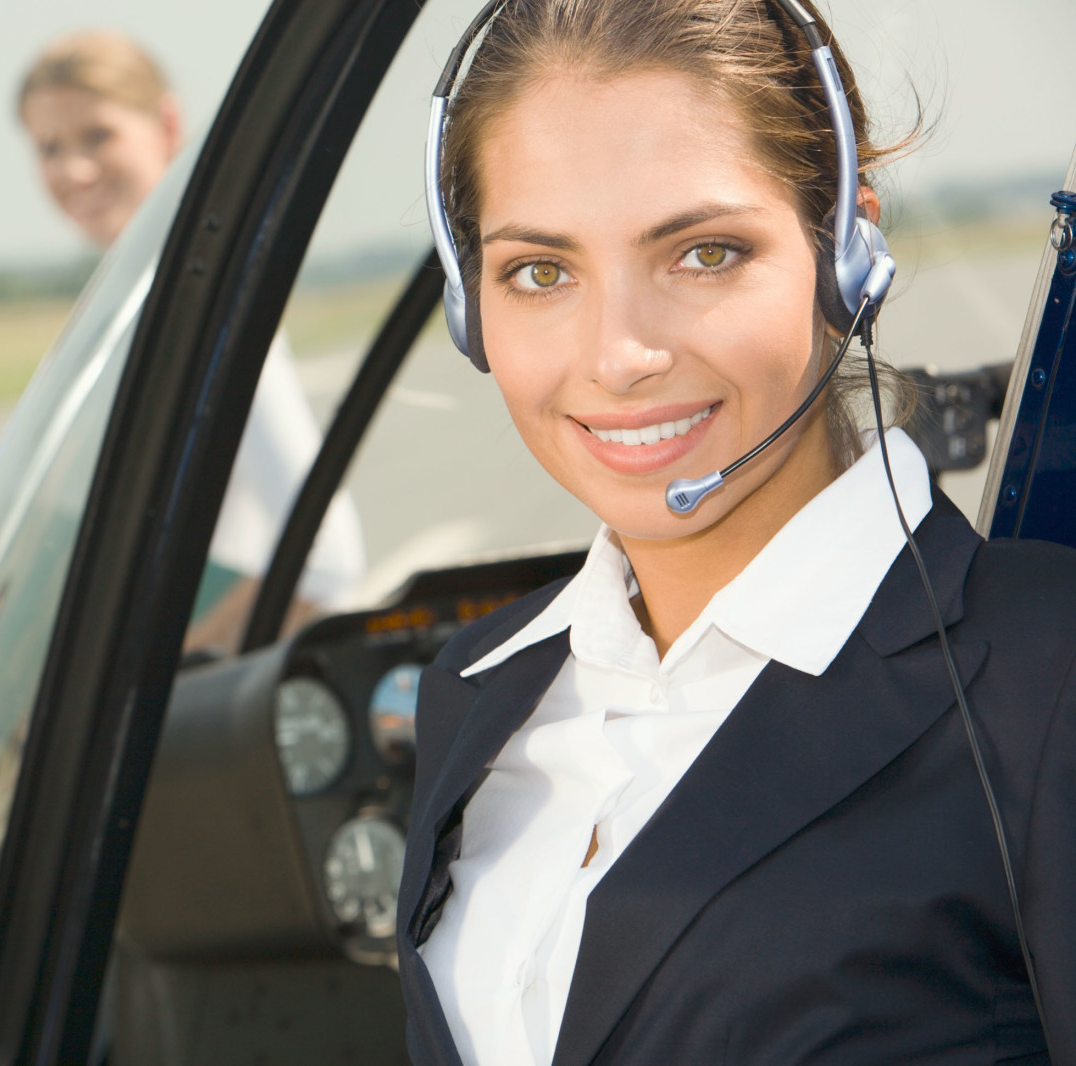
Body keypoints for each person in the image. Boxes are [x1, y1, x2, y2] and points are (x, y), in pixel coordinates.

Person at [396, 0, 1076, 1062]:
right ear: (469, 305)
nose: (617, 354)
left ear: (847, 254)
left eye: (703, 254)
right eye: (540, 272)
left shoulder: (1047, 682)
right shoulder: (476, 689)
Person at [17, 31, 365, 651]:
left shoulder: (201, 308)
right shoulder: (115, 307)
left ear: (167, 124)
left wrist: (152, 679)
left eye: (97, 136)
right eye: (49, 147)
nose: (74, 169)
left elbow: (324, 558)